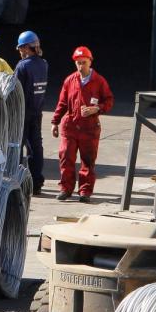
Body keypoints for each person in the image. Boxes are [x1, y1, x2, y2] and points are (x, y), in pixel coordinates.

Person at [51, 46, 114, 203]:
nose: (80, 66)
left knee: (88, 160)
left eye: (83, 63)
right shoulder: (70, 81)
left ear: (90, 62)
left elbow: (109, 100)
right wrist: (55, 121)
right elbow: (62, 102)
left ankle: (85, 191)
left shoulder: (99, 81)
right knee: (66, 156)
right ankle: (66, 188)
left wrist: (96, 109)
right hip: (70, 126)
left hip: (89, 128)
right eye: (78, 63)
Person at [14, 31, 47, 195]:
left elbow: (15, 91)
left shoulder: (22, 66)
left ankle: (17, 180)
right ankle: (36, 182)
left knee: (17, 146)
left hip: (23, 113)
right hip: (37, 112)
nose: (20, 52)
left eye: (21, 48)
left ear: (27, 48)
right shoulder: (43, 64)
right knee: (36, 147)